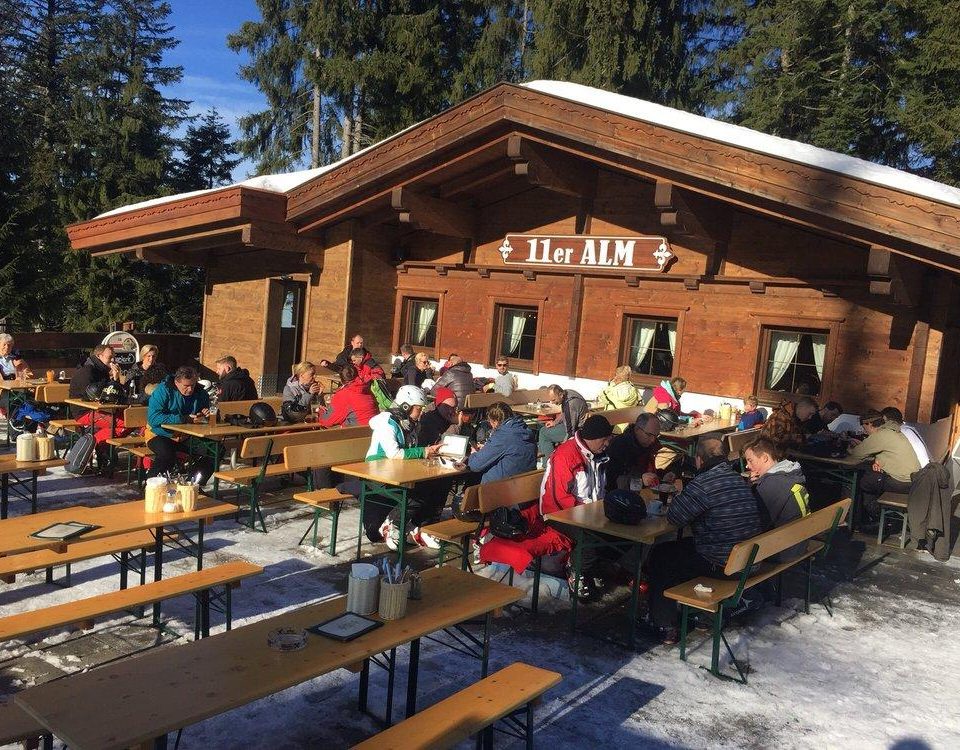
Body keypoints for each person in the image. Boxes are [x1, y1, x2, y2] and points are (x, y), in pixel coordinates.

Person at [644, 437, 766, 642]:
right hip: (748, 560)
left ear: (699, 460)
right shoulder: (738, 479)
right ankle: (693, 611)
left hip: (724, 566)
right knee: (681, 550)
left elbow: (675, 517)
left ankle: (664, 624)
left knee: (661, 555)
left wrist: (682, 495)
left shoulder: (703, 484)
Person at [480, 415, 614, 590]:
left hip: (588, 512)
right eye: (605, 440)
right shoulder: (566, 455)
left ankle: (596, 569)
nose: (607, 444)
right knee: (590, 536)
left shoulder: (599, 455)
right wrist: (590, 515)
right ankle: (578, 573)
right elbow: (559, 499)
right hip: (558, 515)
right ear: (593, 437)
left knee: (615, 532)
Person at [362, 385, 443, 549]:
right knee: (420, 491)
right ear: (406, 406)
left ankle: (415, 524)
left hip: (396, 470)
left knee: (436, 484)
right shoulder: (387, 423)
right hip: (377, 473)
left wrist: (427, 451)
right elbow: (394, 453)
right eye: (418, 409)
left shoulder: (407, 424)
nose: (421, 413)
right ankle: (394, 523)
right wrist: (423, 452)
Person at [145, 366, 215, 486]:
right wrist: (183, 418)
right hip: (160, 434)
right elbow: (153, 418)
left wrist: (206, 415)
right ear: (176, 382)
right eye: (186, 386)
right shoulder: (162, 391)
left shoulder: (200, 392)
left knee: (215, 450)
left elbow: (207, 414)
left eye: (193, 385)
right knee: (167, 455)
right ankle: (151, 487)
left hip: (186, 436)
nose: (190, 389)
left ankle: (192, 485)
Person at [743, 437, 811, 559]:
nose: (747, 466)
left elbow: (756, 525)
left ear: (764, 458)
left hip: (783, 551)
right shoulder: (790, 475)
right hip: (800, 542)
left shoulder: (770, 486)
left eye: (750, 460)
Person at [848, 409, 920, 519]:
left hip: (902, 483)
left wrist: (849, 449)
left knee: (863, 480)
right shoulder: (894, 432)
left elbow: (856, 454)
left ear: (870, 424)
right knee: (873, 476)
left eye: (864, 427)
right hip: (913, 481)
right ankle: (873, 514)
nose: (864, 431)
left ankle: (870, 514)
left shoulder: (881, 435)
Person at [467, 402, 537, 483]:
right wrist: (487, 448)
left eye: (490, 422)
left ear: (495, 421)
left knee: (472, 478)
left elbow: (475, 465)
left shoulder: (503, 435)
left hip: (501, 487)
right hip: (526, 484)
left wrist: (473, 453)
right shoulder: (525, 430)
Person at [605, 412, 668, 491]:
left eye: (656, 436)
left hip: (644, 491)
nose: (653, 440)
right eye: (649, 435)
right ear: (637, 429)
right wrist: (640, 481)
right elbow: (612, 480)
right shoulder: (619, 446)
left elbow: (650, 472)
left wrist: (664, 475)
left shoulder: (648, 445)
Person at [537, 384, 589, 460]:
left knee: (544, 433)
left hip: (578, 431)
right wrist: (555, 422)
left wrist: (563, 447)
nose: (552, 403)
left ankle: (549, 463)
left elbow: (570, 431)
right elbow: (565, 413)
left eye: (553, 400)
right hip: (576, 425)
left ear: (561, 395)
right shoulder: (568, 393)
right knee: (544, 429)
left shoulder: (570, 405)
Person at [597, 365, 641, 433]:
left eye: (616, 374)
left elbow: (602, 398)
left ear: (618, 376)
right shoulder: (634, 390)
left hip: (613, 424)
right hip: (627, 425)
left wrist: (611, 384)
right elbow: (639, 404)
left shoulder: (614, 390)